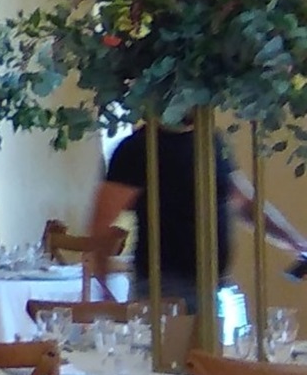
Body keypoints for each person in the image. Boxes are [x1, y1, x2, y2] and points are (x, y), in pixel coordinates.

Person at [88, 124, 307, 309]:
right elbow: (103, 220)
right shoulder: (138, 148)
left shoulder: (210, 140)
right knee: (175, 349)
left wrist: (295, 242)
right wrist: (104, 288)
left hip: (215, 283)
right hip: (165, 287)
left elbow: (243, 202)